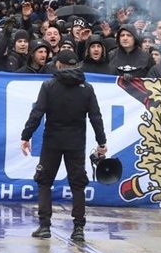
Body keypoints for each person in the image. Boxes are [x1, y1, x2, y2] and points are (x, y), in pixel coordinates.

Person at [19, 49, 108, 242]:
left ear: (58, 64)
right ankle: (78, 228)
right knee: (78, 184)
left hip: (52, 141)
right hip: (76, 143)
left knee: (44, 182)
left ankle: (44, 226)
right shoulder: (86, 88)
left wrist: (26, 136)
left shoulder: (49, 86)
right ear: (77, 65)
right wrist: (101, 142)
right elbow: (96, 117)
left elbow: (37, 113)